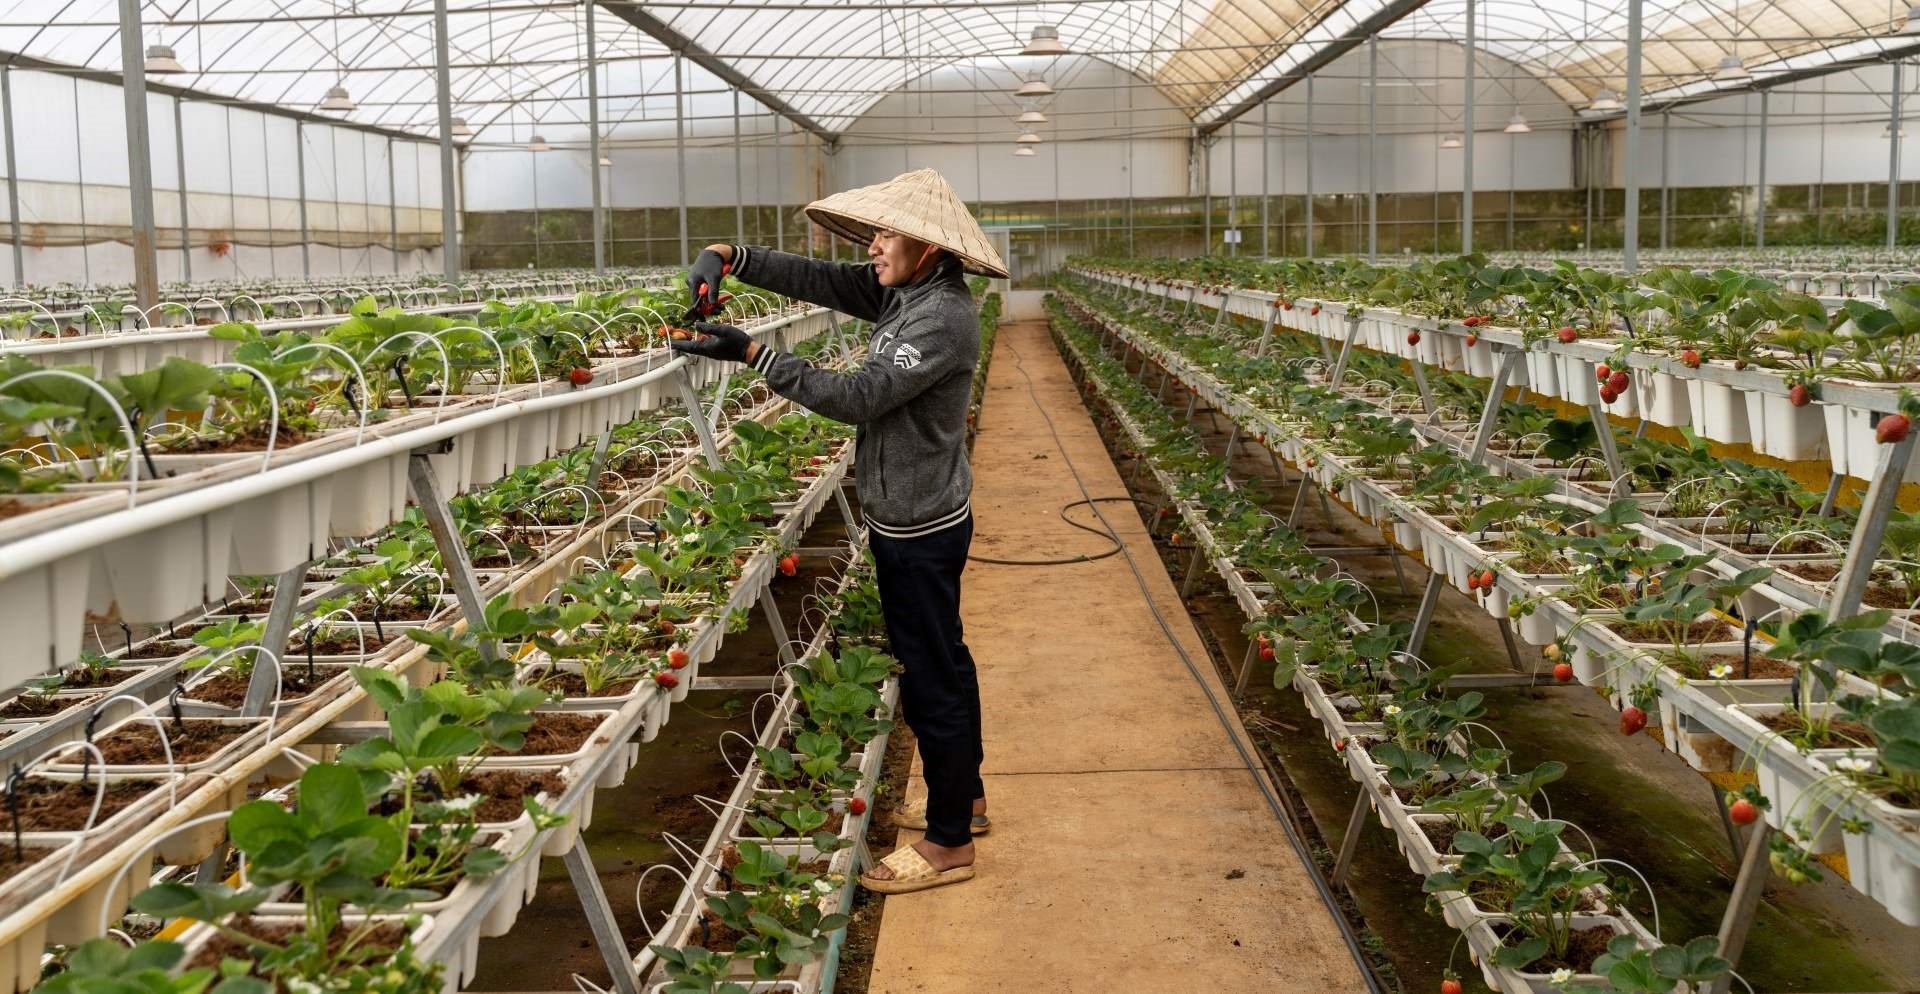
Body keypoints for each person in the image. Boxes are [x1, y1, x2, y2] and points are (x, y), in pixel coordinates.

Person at [669, 168, 1007, 895]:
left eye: (885, 236)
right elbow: (821, 278)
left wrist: (756, 355)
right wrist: (729, 257)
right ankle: (965, 797)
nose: (872, 247)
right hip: (911, 513)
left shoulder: (941, 318)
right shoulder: (907, 291)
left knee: (932, 673)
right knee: (944, 656)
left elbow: (858, 397)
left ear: (927, 247)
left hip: (919, 527)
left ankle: (949, 841)